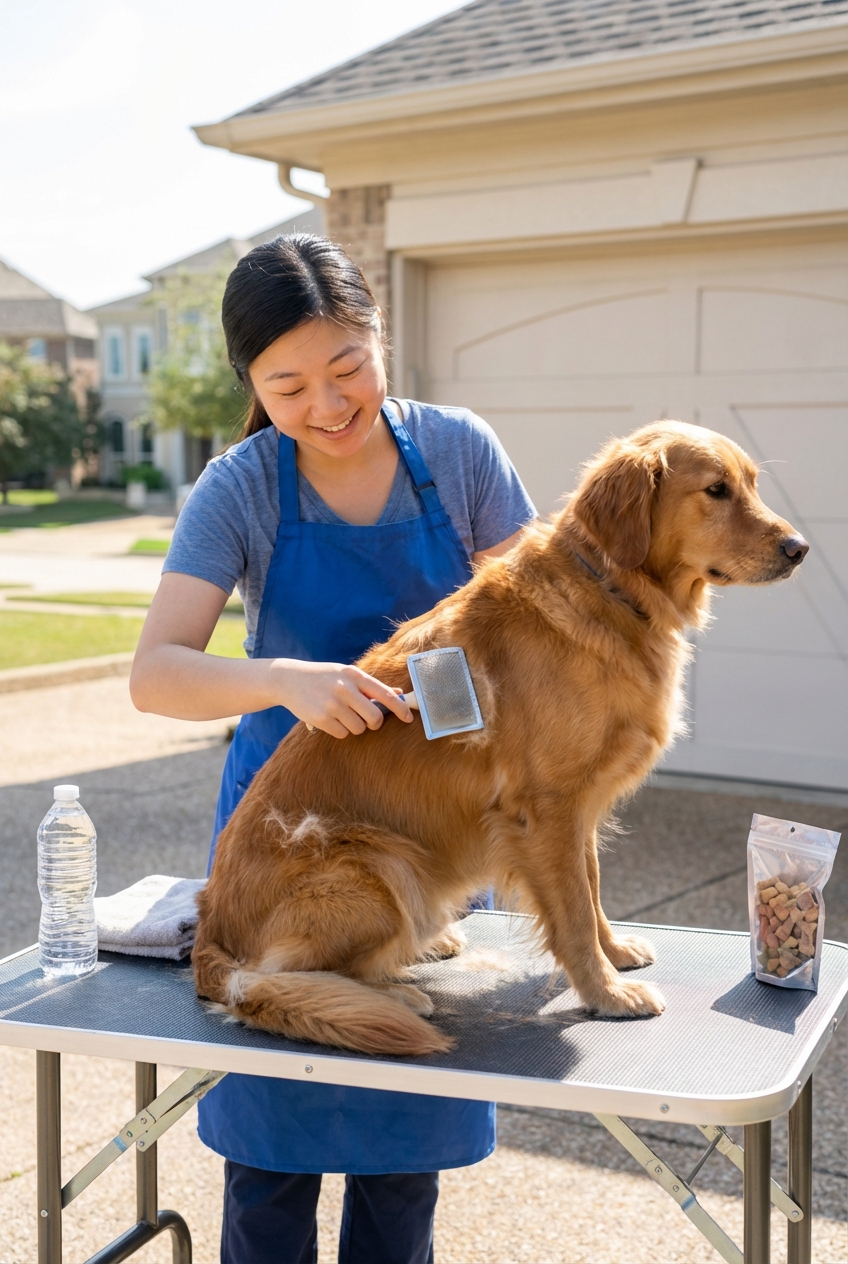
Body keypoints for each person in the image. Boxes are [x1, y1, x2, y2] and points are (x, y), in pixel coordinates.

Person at [130, 234, 536, 1264]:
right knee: (271, 1169)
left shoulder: (458, 453)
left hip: (428, 855)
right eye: (287, 384)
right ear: (250, 384)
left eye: (346, 367)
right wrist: (280, 679)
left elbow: (537, 625)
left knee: (401, 1173)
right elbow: (156, 670)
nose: (326, 403)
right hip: (293, 845)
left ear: (377, 337)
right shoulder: (240, 488)